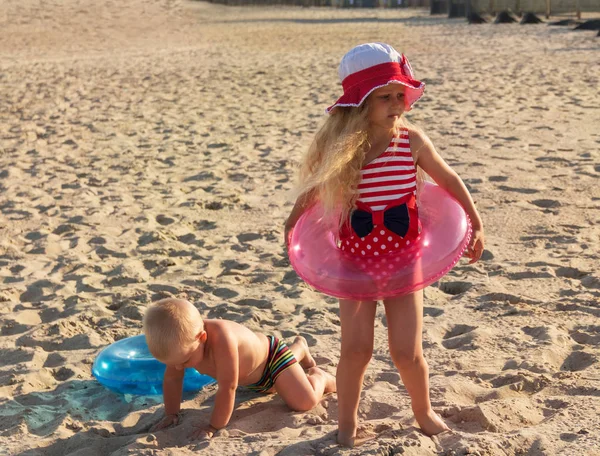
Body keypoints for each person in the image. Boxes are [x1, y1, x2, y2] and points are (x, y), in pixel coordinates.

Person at [284, 43, 484, 447]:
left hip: (404, 258)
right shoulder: (342, 149)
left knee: (406, 352)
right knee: (356, 351)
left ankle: (423, 412)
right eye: (385, 97)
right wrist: (291, 224)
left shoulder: (411, 140)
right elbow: (314, 192)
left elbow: (448, 180)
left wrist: (476, 222)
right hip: (354, 261)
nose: (397, 104)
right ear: (360, 103)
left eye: (400, 96)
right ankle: (346, 422)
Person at [143, 298, 336, 439]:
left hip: (272, 359)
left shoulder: (223, 341)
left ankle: (319, 376)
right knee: (273, 387)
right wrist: (171, 413)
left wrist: (213, 426)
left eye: (184, 361)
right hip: (254, 379)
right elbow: (172, 379)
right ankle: (299, 349)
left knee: (304, 402)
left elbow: (228, 387)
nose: (178, 367)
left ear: (201, 338)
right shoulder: (182, 346)